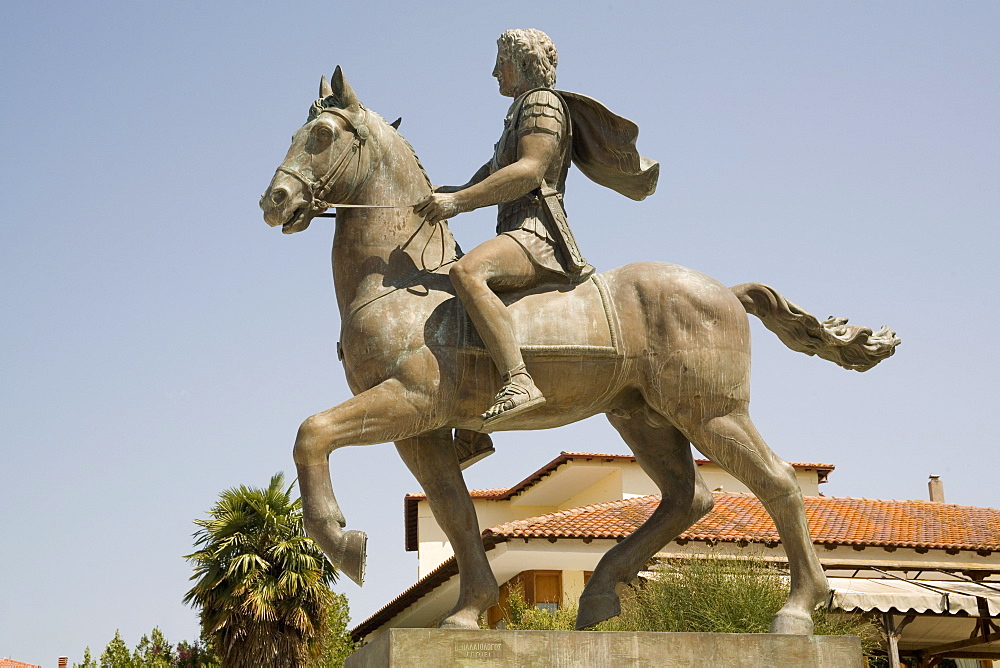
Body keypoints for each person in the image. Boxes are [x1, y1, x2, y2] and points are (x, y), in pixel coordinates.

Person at [415, 28, 658, 429]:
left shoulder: (541, 103)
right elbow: (489, 174)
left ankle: (519, 380)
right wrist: (440, 194)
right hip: (516, 232)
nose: (495, 72)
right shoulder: (518, 113)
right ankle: (470, 423)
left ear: (524, 62)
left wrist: (458, 202)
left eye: (501, 62)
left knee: (466, 271)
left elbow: (529, 170)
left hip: (537, 234)